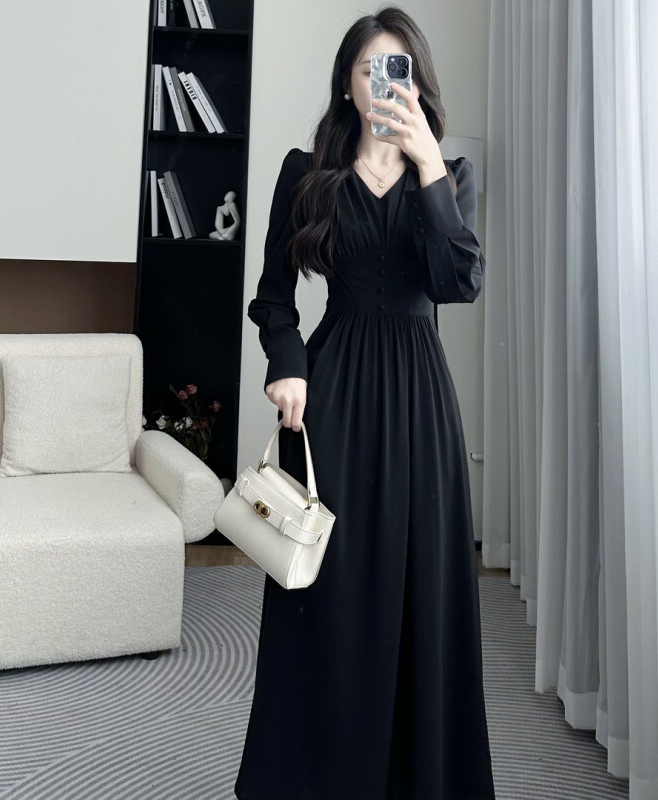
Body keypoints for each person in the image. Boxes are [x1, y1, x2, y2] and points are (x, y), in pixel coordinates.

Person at [235, 6, 495, 799]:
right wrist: (287, 368)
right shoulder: (305, 174)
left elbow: (458, 283)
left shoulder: (448, 177)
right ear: (348, 85)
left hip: (421, 402)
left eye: (397, 70)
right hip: (334, 396)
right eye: (368, 69)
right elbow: (273, 298)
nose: (383, 84)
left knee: (424, 590)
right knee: (328, 597)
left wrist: (427, 163)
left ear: (415, 83)